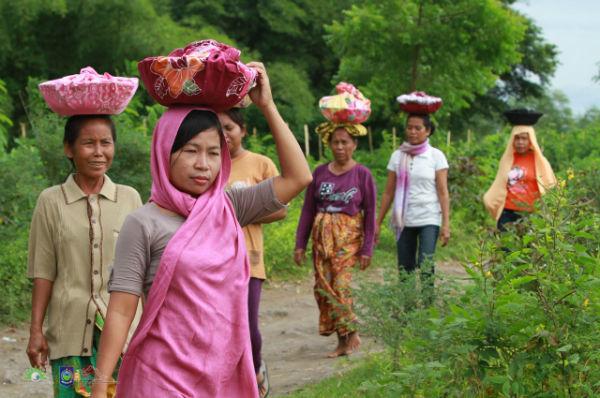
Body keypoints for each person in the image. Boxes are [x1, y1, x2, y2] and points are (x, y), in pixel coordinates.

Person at [91, 62, 312, 398]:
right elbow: (122, 309)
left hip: (220, 376)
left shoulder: (229, 207)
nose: (203, 165)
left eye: (213, 153)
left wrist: (267, 105)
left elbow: (299, 178)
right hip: (160, 376)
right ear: (166, 153)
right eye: (191, 151)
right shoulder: (143, 223)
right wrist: (102, 383)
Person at [26, 114, 142, 397]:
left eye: (106, 143)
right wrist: (36, 330)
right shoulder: (51, 201)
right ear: (69, 149)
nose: (99, 152)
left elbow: (144, 270)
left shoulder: (129, 198)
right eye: (89, 143)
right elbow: (43, 270)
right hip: (68, 335)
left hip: (124, 335)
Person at [219, 108, 287, 397]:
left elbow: (280, 209)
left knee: (248, 324)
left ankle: (256, 369)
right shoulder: (208, 163)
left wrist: (242, 214)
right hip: (213, 259)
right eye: (217, 129)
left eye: (229, 128)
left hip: (249, 256)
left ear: (242, 130)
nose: (224, 136)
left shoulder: (260, 163)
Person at [294, 123, 377, 358]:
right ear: (329, 144)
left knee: (340, 286)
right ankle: (346, 337)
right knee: (323, 288)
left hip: (348, 240)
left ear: (354, 144)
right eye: (335, 142)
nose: (340, 147)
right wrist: (300, 244)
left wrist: (367, 249)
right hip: (321, 242)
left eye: (345, 142)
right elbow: (308, 210)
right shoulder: (320, 173)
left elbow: (370, 213)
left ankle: (348, 337)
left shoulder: (362, 175)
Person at [376, 113, 450, 300]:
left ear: (428, 131)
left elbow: (443, 192)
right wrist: (378, 221)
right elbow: (388, 192)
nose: (413, 131)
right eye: (409, 127)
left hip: (429, 217)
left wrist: (446, 224)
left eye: (418, 128)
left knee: (426, 263)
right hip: (404, 219)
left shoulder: (435, 156)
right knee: (405, 267)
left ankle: (427, 308)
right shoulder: (397, 156)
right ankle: (407, 309)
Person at [483, 109, 556, 231]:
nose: (520, 142)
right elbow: (500, 184)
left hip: (531, 215)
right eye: (517, 138)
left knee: (529, 249)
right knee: (506, 249)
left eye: (524, 138)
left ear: (530, 140)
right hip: (507, 213)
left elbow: (549, 186)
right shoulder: (508, 159)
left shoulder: (539, 161)